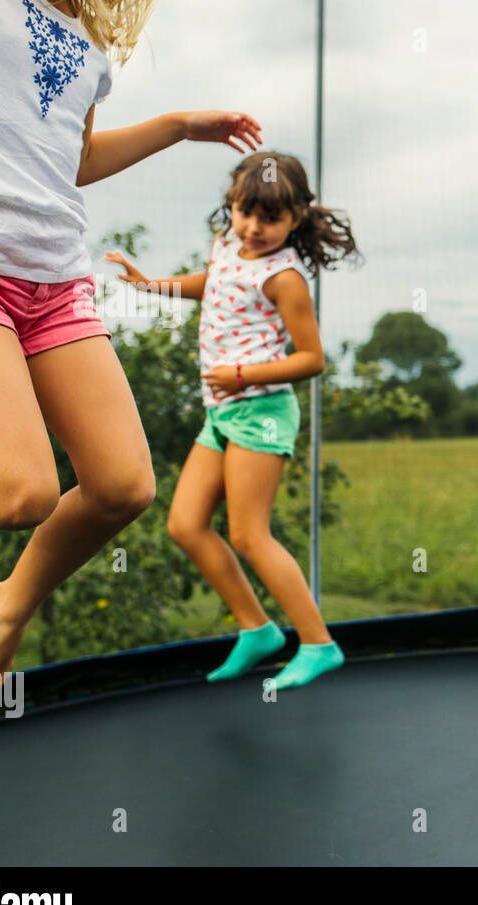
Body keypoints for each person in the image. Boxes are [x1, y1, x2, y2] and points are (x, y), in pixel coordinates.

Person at [0, 0, 262, 700]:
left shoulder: (87, 42)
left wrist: (176, 127)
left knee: (123, 486)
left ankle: (7, 602)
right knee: (19, 492)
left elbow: (71, 159)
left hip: (54, 281)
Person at [105, 151, 361, 689]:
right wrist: (153, 285)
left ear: (295, 219)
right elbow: (216, 282)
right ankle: (257, 630)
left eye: (271, 218)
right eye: (246, 213)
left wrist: (243, 374)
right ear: (232, 207)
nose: (255, 227)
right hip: (221, 410)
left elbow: (311, 359)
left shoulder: (287, 278)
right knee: (185, 524)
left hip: (261, 411)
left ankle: (318, 643)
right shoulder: (229, 247)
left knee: (249, 533)